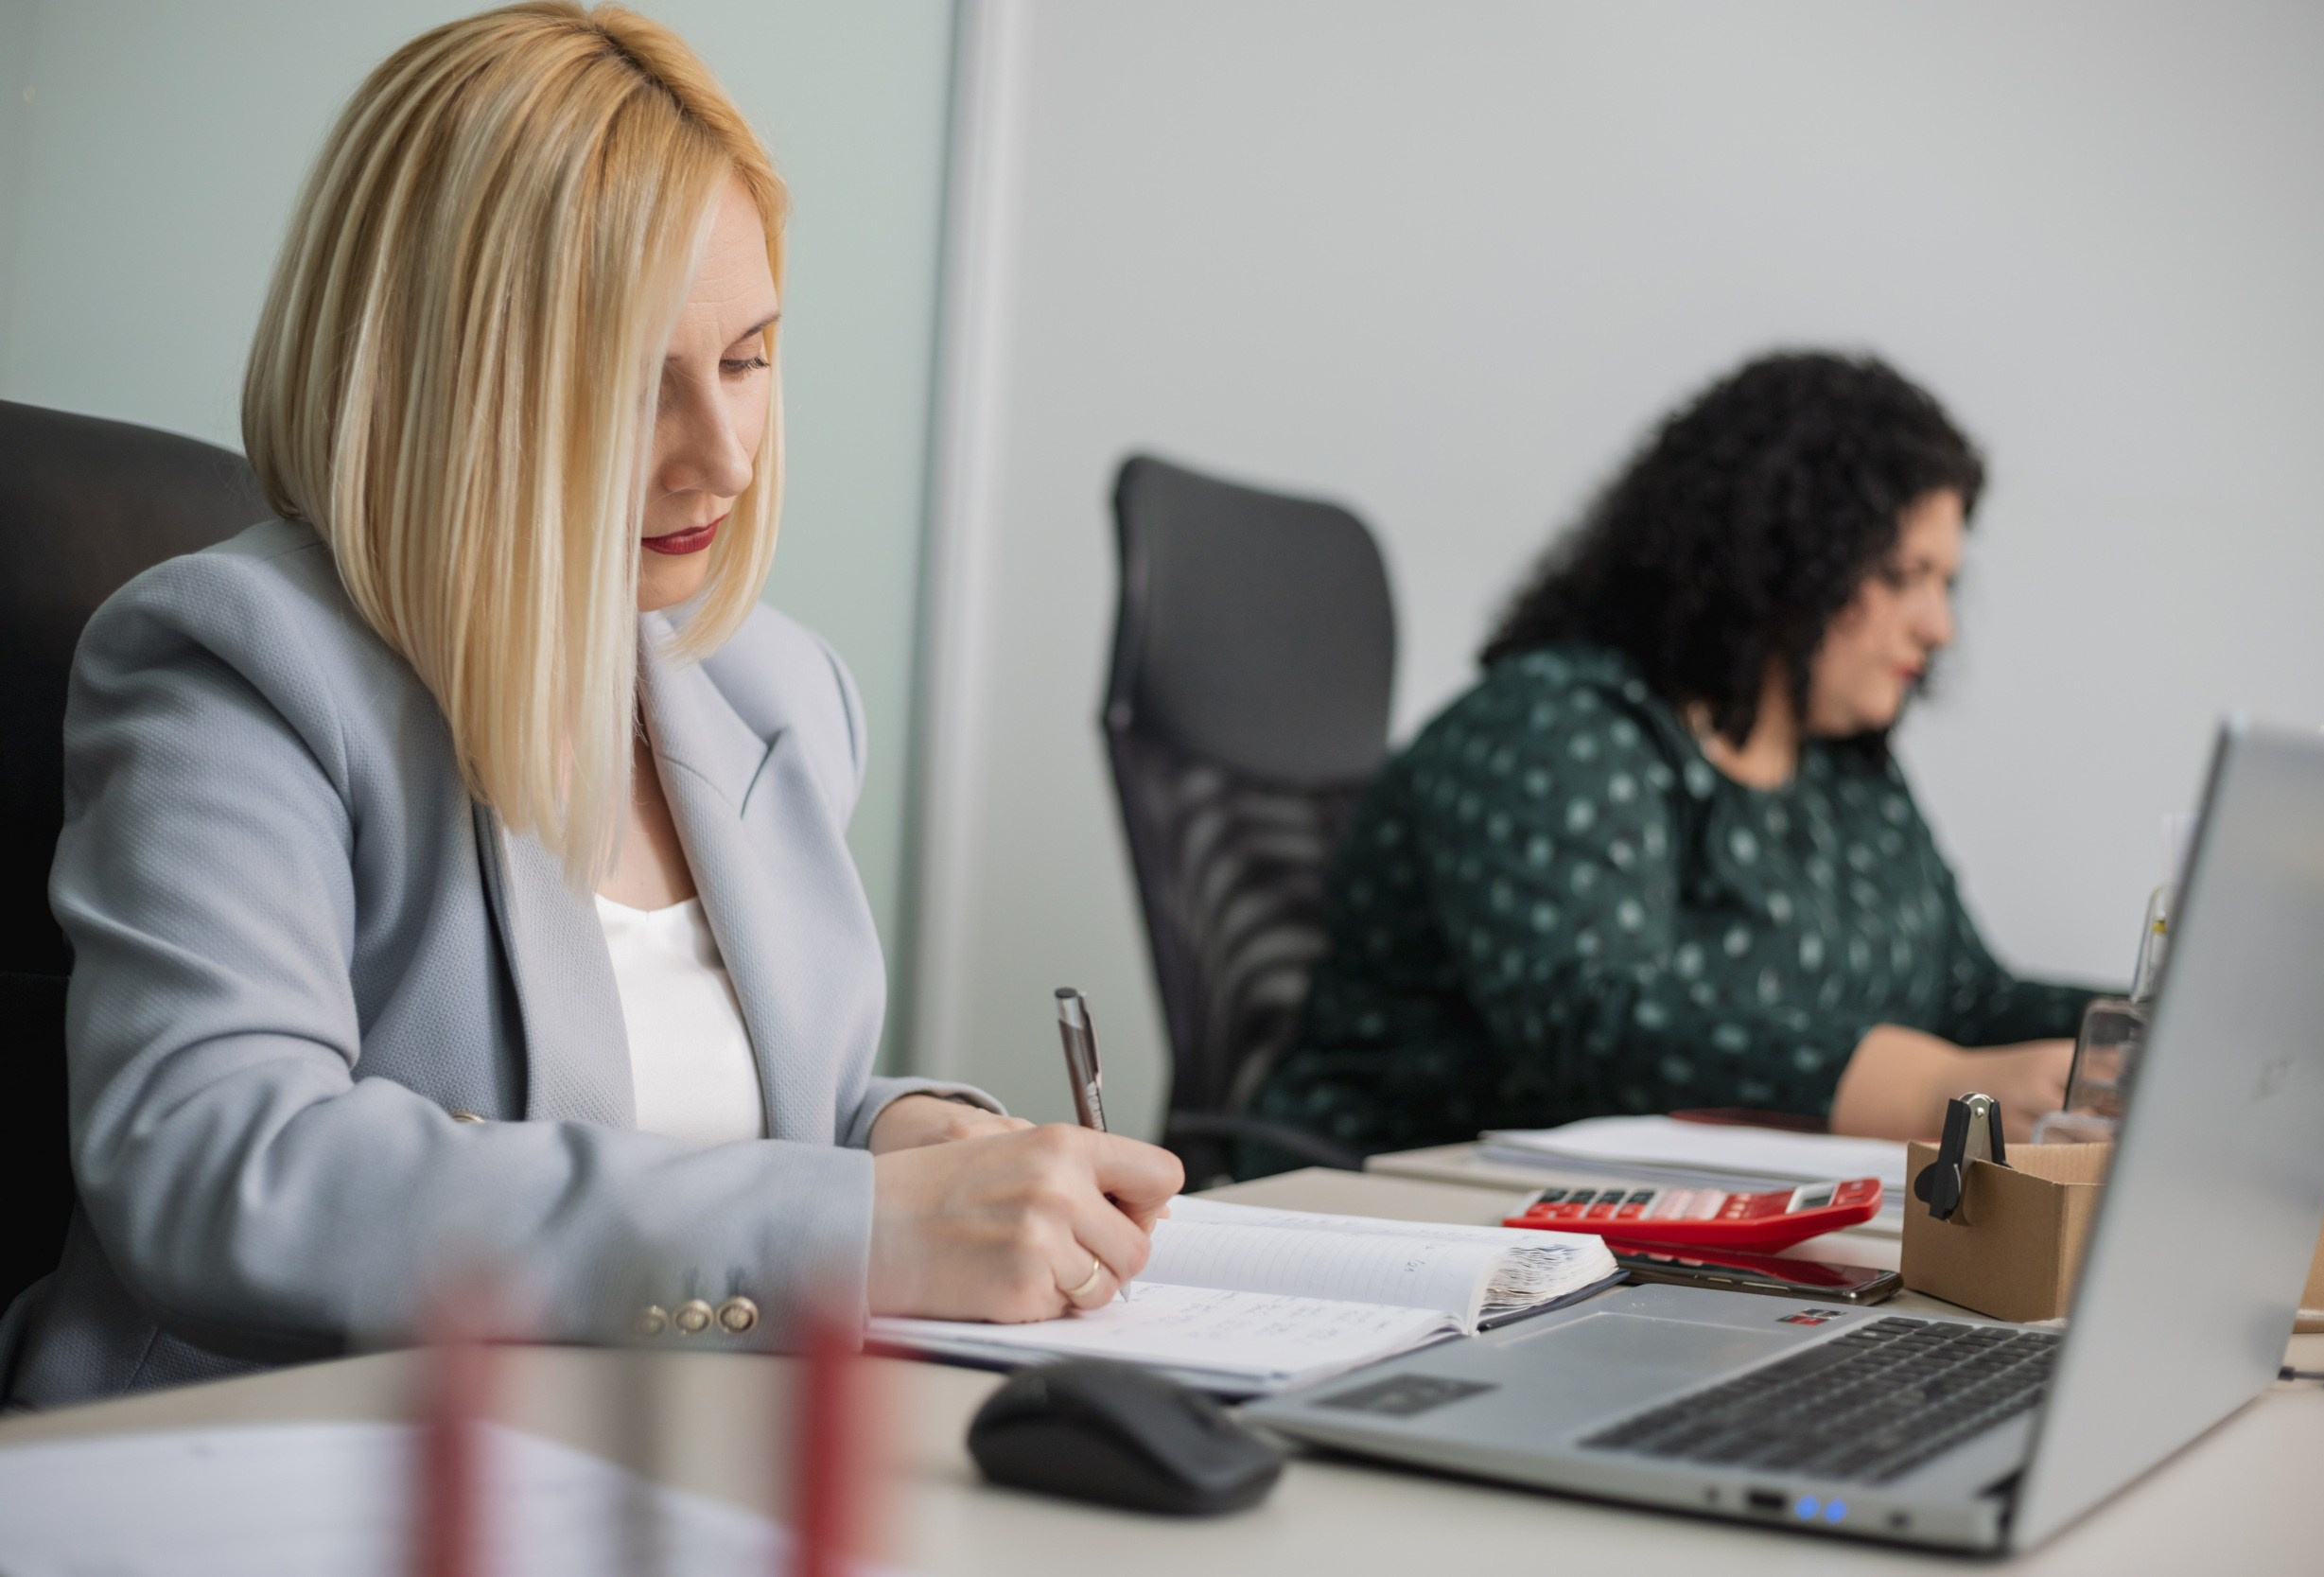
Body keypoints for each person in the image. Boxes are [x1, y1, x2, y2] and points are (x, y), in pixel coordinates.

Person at [4, 2, 1179, 1411]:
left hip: (656, 1448)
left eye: (747, 359)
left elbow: (735, 1115)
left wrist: (904, 1136)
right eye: (635, 390)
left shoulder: (779, 692)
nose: (727, 459)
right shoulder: (237, 661)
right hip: (274, 1463)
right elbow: (220, 1162)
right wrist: (852, 1229)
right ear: (439, 387)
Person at [1250, 352, 2095, 1171]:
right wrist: (1936, 1087)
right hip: (1401, 1217)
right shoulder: (1554, 724)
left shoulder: (1847, 768)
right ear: (1780, 553)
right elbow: (1595, 1026)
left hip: (1688, 1234)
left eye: (1946, 581)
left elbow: (1968, 997)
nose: (1937, 625)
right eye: (1903, 575)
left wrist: (2143, 1032)